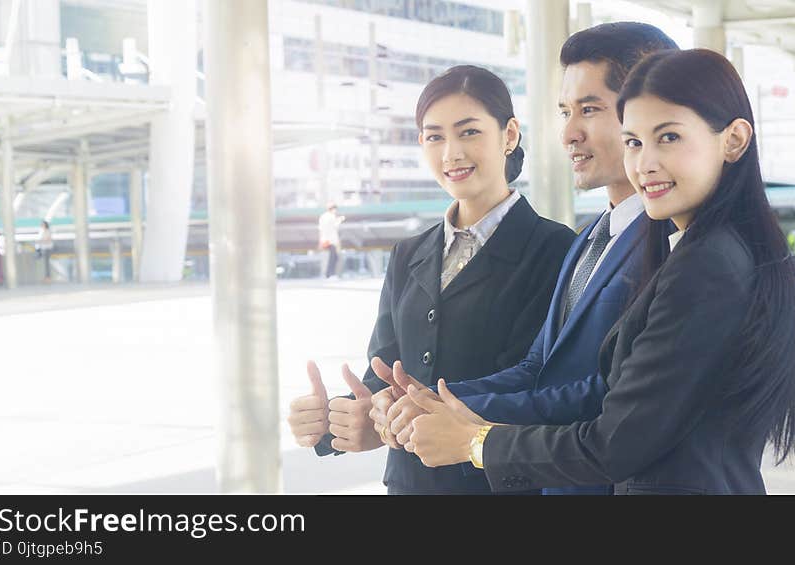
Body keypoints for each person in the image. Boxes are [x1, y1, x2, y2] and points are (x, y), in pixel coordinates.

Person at [403, 48, 795, 495]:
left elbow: (614, 442)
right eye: (633, 142)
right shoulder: (685, 247)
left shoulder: (707, 264)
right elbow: (600, 386)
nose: (645, 163)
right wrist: (443, 404)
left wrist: (476, 442)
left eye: (669, 137)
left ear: (733, 140)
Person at [371, 22, 679, 495]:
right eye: (564, 111)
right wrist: (425, 402)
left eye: (590, 109)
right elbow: (540, 368)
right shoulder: (592, 237)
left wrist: (472, 435)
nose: (568, 132)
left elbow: (607, 397)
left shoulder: (671, 244)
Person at [286, 65, 576, 494]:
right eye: (434, 136)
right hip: (410, 486)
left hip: (499, 488)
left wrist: (399, 413)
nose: (451, 153)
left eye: (469, 132)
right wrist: (339, 418)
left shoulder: (554, 248)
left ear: (509, 135)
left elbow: (539, 386)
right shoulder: (409, 254)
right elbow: (384, 373)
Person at [318, 203, 345, 278]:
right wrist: (340, 219)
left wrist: (320, 241)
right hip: (331, 240)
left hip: (325, 240)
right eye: (335, 209)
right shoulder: (332, 216)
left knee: (331, 257)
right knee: (333, 257)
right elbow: (335, 226)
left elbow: (320, 229)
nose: (335, 211)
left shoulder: (323, 216)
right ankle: (330, 274)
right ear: (332, 209)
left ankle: (328, 274)